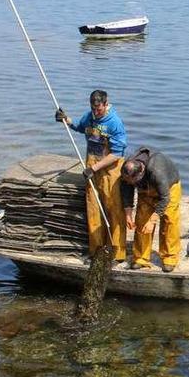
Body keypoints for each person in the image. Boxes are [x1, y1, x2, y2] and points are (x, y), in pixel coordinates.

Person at [55, 90, 128, 264]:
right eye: (93, 109)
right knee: (94, 209)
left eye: (99, 109)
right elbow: (80, 127)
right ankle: (97, 250)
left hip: (110, 170)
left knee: (114, 210)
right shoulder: (90, 116)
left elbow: (117, 153)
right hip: (93, 169)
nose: (96, 112)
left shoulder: (114, 122)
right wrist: (66, 120)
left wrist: (94, 168)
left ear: (106, 103)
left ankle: (117, 252)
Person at [120, 147, 182, 272]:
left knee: (169, 222)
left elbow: (165, 199)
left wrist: (153, 220)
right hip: (146, 191)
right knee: (141, 221)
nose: (132, 184)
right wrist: (128, 213)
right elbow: (126, 189)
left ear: (141, 171)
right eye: (130, 182)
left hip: (168, 189)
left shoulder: (156, 171)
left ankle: (169, 258)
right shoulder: (126, 170)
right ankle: (141, 258)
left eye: (134, 181)